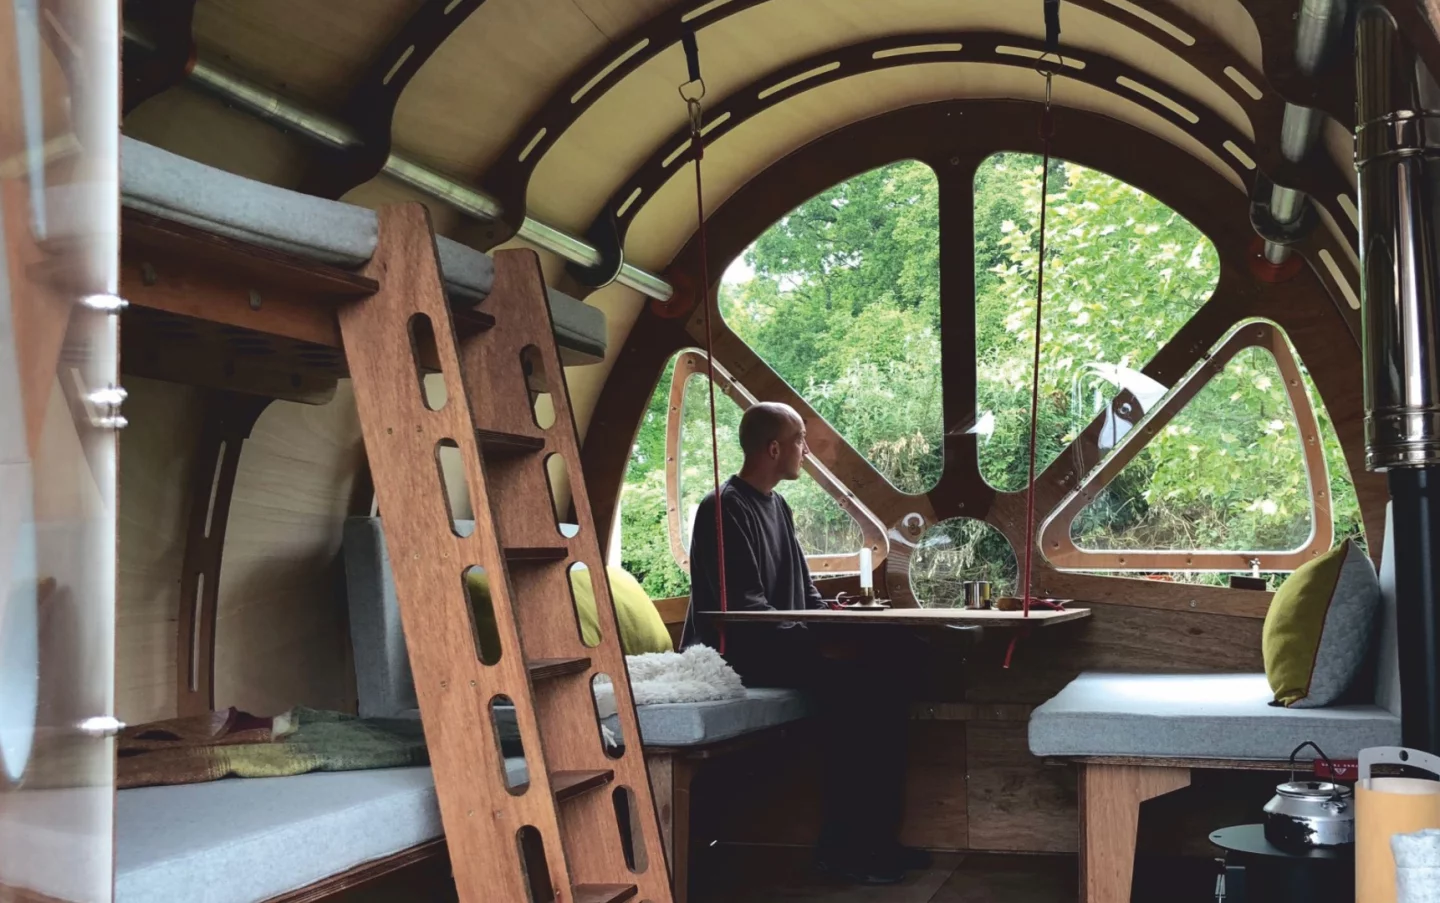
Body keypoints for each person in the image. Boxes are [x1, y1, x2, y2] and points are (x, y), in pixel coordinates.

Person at [680, 402, 926, 885]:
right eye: (799, 441)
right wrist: (820, 648)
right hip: (740, 658)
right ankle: (841, 851)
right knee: (860, 694)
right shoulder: (723, 508)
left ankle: (877, 841)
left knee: (895, 672)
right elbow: (745, 613)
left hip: (779, 646)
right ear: (774, 448)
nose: (805, 450)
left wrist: (838, 620)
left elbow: (804, 593)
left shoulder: (778, 504)